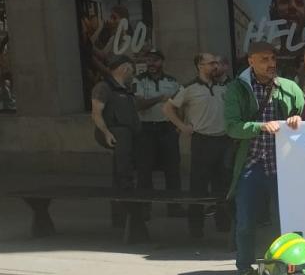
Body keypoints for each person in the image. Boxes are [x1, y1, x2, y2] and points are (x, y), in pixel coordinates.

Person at [224, 40, 305, 274]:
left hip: (282, 166)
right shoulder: (237, 89)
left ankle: (285, 266)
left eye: (273, 59)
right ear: (251, 61)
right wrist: (259, 127)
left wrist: (298, 121)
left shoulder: (289, 88)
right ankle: (244, 268)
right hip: (251, 164)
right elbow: (232, 127)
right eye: (264, 59)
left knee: (285, 220)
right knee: (245, 221)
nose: (271, 64)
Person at [164, 52, 232, 239]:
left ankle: (223, 224)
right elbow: (168, 108)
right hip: (202, 141)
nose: (215, 66)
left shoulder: (225, 86)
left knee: (223, 184)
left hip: (223, 140)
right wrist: (182, 126)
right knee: (198, 186)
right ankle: (196, 228)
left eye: (216, 63)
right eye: (211, 63)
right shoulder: (189, 88)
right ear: (200, 66)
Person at [90, 55, 142, 230]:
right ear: (124, 68)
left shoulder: (126, 89)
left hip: (130, 133)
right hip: (117, 132)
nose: (133, 73)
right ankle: (127, 213)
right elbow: (96, 113)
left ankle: (123, 214)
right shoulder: (104, 87)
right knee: (123, 173)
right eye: (132, 69)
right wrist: (106, 133)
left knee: (123, 171)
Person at [133, 48, 183, 205]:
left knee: (172, 168)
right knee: (144, 169)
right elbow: (139, 104)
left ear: (162, 61)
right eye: (148, 60)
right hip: (146, 129)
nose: (151, 63)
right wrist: (160, 98)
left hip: (167, 128)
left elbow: (180, 105)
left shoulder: (172, 81)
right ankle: (144, 207)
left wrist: (179, 125)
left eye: (155, 60)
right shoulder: (138, 80)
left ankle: (174, 205)